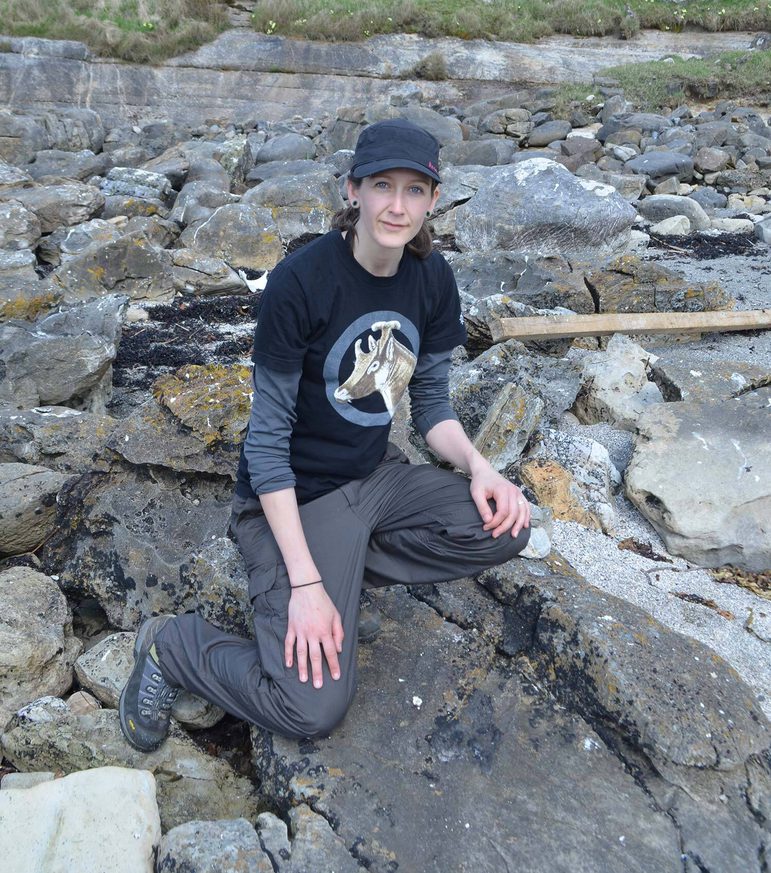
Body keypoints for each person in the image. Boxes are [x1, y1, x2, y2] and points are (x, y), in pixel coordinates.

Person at [119, 118, 532, 752]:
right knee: (311, 708)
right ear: (353, 191)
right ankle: (174, 649)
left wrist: (480, 465)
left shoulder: (432, 279)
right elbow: (265, 443)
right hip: (290, 499)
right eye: (382, 186)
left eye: (415, 190)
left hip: (374, 478)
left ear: (433, 199)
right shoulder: (302, 281)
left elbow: (430, 408)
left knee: (505, 526)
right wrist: (309, 585)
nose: (398, 205)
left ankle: (341, 564)